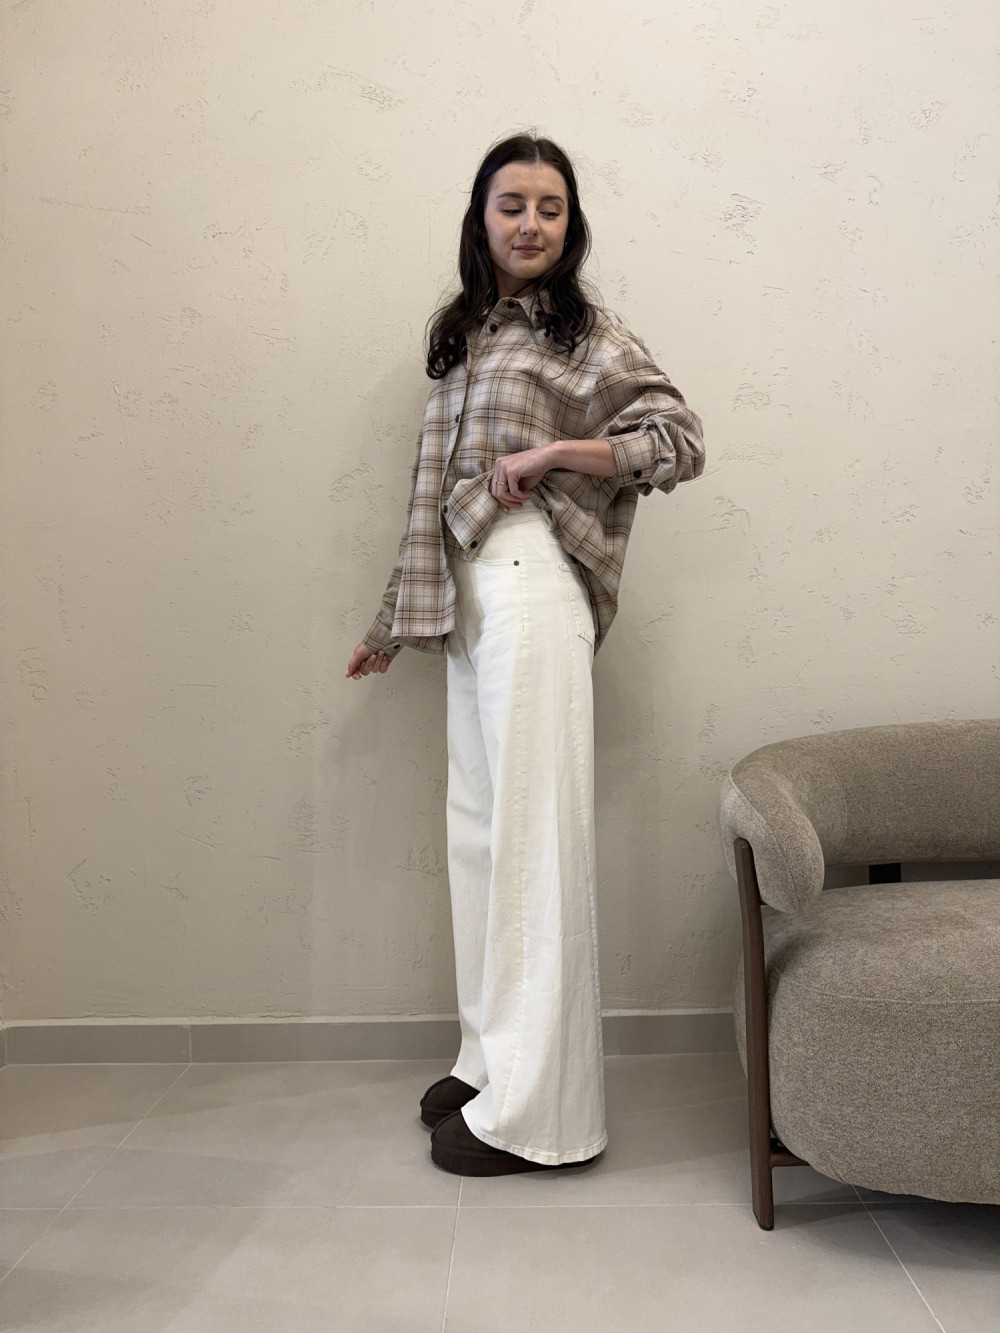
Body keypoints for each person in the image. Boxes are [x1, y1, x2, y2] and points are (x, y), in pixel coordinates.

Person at [347, 133, 705, 1176]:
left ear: (569, 222)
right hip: (469, 596)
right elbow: (432, 495)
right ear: (482, 216)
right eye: (513, 204)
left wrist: (556, 451)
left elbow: (678, 438)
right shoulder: (465, 337)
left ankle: (541, 1115)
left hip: (533, 584)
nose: (531, 223)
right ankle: (488, 1062)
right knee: (478, 837)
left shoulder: (584, 334)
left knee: (533, 841)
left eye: (551, 206)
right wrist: (391, 623)